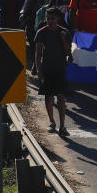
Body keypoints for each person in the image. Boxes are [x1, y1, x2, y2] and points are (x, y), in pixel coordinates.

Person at [35, 7, 73, 137]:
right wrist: (39, 72)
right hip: (47, 69)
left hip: (60, 69)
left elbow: (68, 53)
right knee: (48, 97)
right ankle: (52, 122)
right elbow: (38, 54)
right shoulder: (41, 32)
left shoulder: (64, 32)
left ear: (58, 19)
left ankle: (62, 126)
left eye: (53, 18)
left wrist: (63, 40)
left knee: (61, 98)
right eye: (48, 18)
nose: (50, 21)